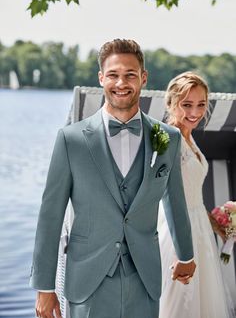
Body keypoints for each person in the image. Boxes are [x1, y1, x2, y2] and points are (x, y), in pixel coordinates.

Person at [30, 39, 196, 318]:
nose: (122, 83)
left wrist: (187, 256)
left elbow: (175, 201)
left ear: (143, 78)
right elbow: (50, 215)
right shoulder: (70, 140)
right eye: (113, 75)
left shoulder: (168, 138)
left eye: (130, 74)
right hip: (88, 280)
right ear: (101, 78)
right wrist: (45, 287)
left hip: (145, 278)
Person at [158, 71, 233, 318]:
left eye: (201, 104)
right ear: (171, 104)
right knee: (179, 301)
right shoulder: (168, 140)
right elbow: (165, 193)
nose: (195, 112)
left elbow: (193, 194)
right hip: (176, 231)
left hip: (200, 227)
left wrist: (219, 224)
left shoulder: (189, 138)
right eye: (187, 104)